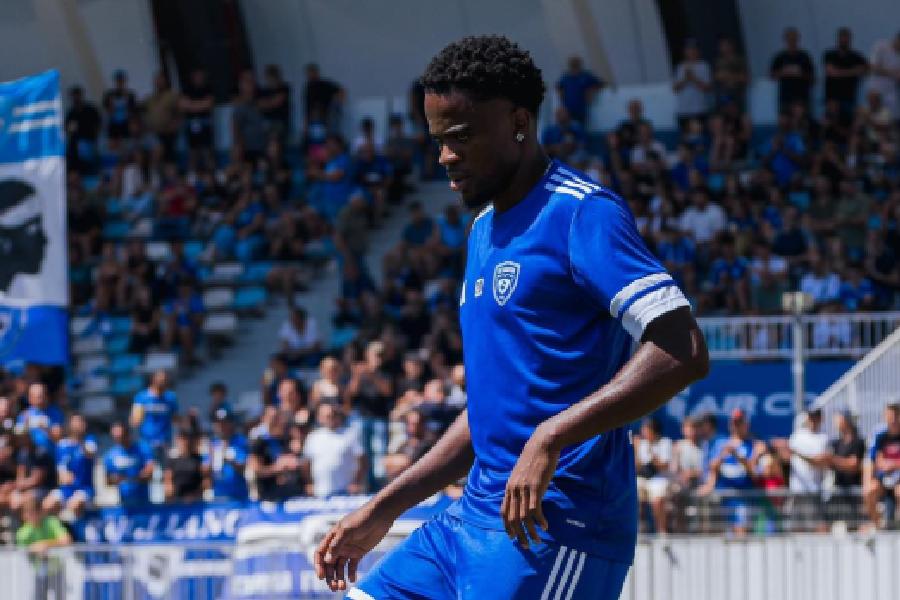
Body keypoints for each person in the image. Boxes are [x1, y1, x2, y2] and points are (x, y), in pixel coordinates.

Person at [314, 35, 708, 598]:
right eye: (438, 140)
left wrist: (551, 437)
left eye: (461, 136)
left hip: (553, 527)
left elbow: (682, 349)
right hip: (466, 522)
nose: (445, 156)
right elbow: (488, 413)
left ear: (518, 122)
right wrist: (383, 507)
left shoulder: (580, 213)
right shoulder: (482, 230)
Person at [304, 401, 366, 498]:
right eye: (326, 416)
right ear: (319, 418)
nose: (330, 418)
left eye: (332, 415)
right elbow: (306, 463)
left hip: (345, 493)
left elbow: (362, 461)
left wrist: (356, 482)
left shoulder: (350, 434)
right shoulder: (313, 437)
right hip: (320, 493)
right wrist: (309, 483)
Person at [44, 414, 96, 517]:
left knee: (75, 504)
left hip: (84, 489)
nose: (78, 425)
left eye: (80, 422)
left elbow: (90, 453)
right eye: (75, 422)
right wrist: (63, 475)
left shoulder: (90, 441)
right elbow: (61, 469)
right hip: (66, 489)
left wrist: (79, 440)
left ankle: (78, 527)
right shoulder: (62, 445)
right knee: (47, 504)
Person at [863, 403, 900, 529]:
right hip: (883, 477)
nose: (893, 419)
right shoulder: (880, 436)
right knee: (869, 491)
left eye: (896, 415)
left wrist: (893, 464)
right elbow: (873, 459)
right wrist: (868, 481)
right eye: (890, 416)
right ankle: (878, 525)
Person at [635, 418, 673, 533]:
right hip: (644, 478)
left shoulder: (665, 443)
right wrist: (635, 450)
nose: (643, 432)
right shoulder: (642, 444)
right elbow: (638, 466)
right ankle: (640, 529)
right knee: (634, 493)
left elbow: (664, 466)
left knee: (657, 500)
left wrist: (651, 453)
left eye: (646, 429)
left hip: (660, 478)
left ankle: (661, 531)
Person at [103, 422, 154, 506]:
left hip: (143, 501)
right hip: (124, 502)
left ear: (127, 434)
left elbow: (149, 473)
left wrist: (128, 478)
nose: (119, 440)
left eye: (121, 436)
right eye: (116, 437)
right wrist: (115, 479)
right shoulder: (110, 455)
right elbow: (108, 480)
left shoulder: (142, 448)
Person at [130, 370, 178, 459]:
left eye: (165, 380)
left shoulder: (170, 397)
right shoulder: (142, 397)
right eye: (161, 380)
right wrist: (136, 417)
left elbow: (175, 418)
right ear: (154, 380)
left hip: (165, 442)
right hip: (147, 441)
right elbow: (134, 421)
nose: (163, 382)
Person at [204, 408, 249, 501]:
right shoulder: (212, 444)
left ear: (231, 423)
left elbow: (245, 467)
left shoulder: (240, 441)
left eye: (224, 423)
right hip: (218, 495)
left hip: (238, 496)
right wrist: (211, 458)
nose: (221, 426)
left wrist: (228, 458)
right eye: (218, 423)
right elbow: (206, 470)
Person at [823, 27, 868, 118]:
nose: (844, 40)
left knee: (851, 120)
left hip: (850, 97)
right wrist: (853, 71)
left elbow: (865, 70)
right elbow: (831, 72)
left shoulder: (857, 56)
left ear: (850, 40)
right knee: (831, 121)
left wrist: (839, 72)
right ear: (838, 39)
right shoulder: (829, 55)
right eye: (842, 38)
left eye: (846, 38)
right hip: (832, 98)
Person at [770, 27, 815, 113]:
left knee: (803, 119)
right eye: (790, 39)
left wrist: (800, 73)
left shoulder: (805, 56)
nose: (792, 41)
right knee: (785, 119)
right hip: (786, 97)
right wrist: (784, 72)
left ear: (798, 39)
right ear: (785, 40)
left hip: (802, 97)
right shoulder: (779, 57)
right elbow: (772, 76)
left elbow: (812, 78)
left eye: (794, 39)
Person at [180, 67, 216, 170]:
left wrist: (191, 105)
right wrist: (200, 105)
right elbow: (182, 105)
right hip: (191, 125)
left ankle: (212, 173)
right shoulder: (186, 89)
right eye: (197, 76)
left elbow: (209, 104)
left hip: (206, 124)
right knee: (193, 151)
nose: (199, 78)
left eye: (200, 76)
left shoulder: (208, 89)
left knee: (207, 150)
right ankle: (193, 174)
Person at [673, 40, 713, 129]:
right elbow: (675, 88)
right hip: (684, 111)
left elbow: (708, 88)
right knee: (686, 136)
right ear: (685, 52)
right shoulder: (680, 67)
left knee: (701, 135)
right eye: (689, 49)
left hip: (700, 109)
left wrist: (693, 78)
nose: (692, 52)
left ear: (698, 51)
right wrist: (685, 79)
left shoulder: (704, 66)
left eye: (694, 49)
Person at [143, 72, 181, 161]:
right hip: (154, 133)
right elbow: (143, 111)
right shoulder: (151, 98)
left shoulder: (172, 96)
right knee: (155, 154)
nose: (158, 82)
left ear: (165, 81)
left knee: (169, 158)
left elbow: (179, 112)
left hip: (168, 133)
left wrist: (174, 125)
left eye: (161, 80)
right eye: (157, 80)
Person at [555, 55, 603, 126]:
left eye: (576, 64)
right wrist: (561, 96)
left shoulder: (586, 76)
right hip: (568, 110)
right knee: (568, 128)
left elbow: (599, 84)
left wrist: (591, 91)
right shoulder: (566, 77)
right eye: (573, 65)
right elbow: (558, 86)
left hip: (581, 109)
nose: (574, 67)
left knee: (580, 128)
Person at [64, 86, 102, 175]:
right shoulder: (71, 113)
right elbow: (68, 130)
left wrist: (94, 137)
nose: (76, 98)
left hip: (89, 142)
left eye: (77, 95)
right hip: (75, 145)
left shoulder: (90, 109)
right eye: (74, 96)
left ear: (81, 96)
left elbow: (98, 124)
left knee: (89, 164)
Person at [163, 428, 205, 502]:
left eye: (187, 439)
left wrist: (194, 496)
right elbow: (168, 480)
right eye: (182, 439)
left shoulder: (199, 459)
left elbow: (205, 481)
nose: (185, 442)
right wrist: (171, 497)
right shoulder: (172, 461)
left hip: (195, 501)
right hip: (176, 500)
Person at [869, 31, 900, 120]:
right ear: (897, 39)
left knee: (890, 120)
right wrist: (893, 73)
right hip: (876, 91)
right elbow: (873, 68)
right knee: (874, 118)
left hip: (891, 94)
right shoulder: (881, 46)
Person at [102, 70, 137, 150]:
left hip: (126, 125)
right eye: (118, 81)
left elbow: (133, 111)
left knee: (127, 147)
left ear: (124, 81)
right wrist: (111, 106)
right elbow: (106, 111)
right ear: (115, 82)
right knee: (113, 148)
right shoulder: (109, 95)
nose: (120, 83)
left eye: (122, 81)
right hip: (113, 126)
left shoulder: (130, 95)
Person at [304, 63, 344, 132]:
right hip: (314, 119)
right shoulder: (308, 88)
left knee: (329, 133)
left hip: (327, 117)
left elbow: (341, 91)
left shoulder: (324, 84)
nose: (310, 75)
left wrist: (338, 104)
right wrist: (306, 124)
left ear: (316, 72)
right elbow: (307, 108)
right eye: (308, 73)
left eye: (312, 72)